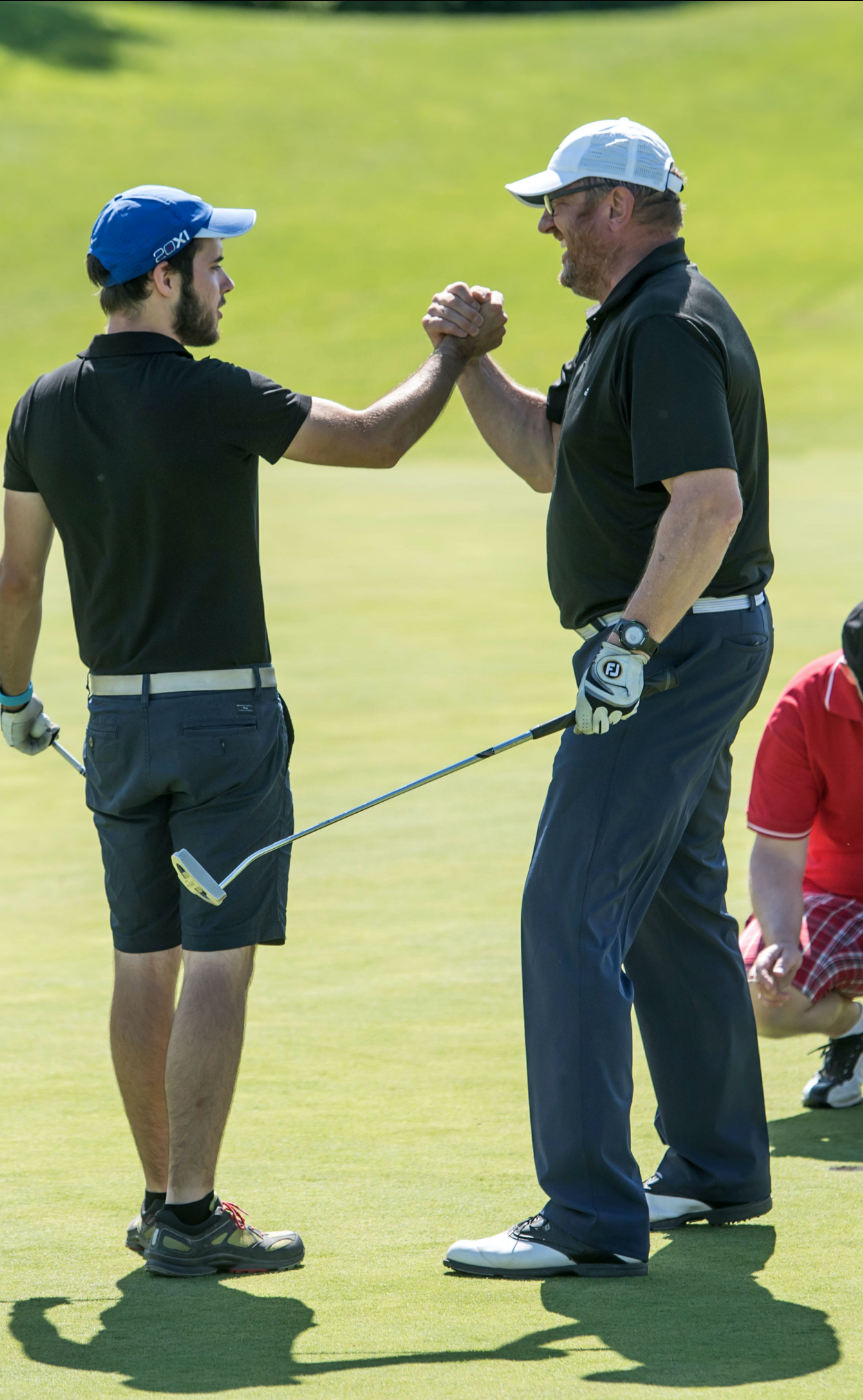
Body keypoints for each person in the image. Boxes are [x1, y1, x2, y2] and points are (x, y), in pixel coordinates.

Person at [0, 183, 504, 1277]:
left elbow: (16, 580)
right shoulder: (213, 392)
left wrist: (10, 698)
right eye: (214, 265)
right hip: (224, 722)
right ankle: (192, 1215)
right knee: (218, 965)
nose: (228, 283)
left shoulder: (40, 406)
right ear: (165, 277)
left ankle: (160, 1200)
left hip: (116, 724)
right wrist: (454, 355)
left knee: (143, 962)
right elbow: (375, 439)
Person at [422, 117, 775, 1280]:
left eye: (561, 204)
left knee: (566, 906)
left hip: (672, 652)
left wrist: (628, 640)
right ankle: (715, 1161)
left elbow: (708, 505)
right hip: (689, 644)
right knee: (670, 899)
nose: (545, 226)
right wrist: (469, 359)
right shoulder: (632, 318)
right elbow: (546, 455)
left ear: (616, 206)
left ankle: (586, 1216)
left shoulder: (665, 324)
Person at [741, 593, 863, 1108]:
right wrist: (782, 939)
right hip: (836, 901)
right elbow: (777, 852)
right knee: (761, 996)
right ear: (850, 677)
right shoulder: (802, 708)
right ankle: (856, 1033)